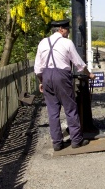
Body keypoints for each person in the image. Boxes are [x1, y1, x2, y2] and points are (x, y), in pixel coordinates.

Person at [34, 19, 96, 151]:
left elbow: (38, 68)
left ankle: (57, 143)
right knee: (70, 109)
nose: (68, 33)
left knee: (52, 111)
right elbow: (78, 63)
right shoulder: (67, 43)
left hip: (46, 77)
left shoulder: (42, 42)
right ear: (61, 29)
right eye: (67, 30)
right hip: (61, 77)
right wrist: (89, 74)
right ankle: (76, 140)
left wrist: (41, 82)